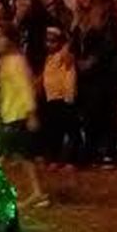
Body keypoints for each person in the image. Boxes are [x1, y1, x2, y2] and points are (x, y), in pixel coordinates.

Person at [0, 25, 47, 208]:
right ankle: (37, 193)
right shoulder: (5, 61)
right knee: (24, 157)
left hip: (18, 115)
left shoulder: (16, 61)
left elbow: (25, 88)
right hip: (10, 114)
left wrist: (31, 113)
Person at [71, 0, 117, 166]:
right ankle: (92, 149)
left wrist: (93, 60)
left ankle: (109, 151)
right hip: (84, 74)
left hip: (104, 73)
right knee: (89, 112)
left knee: (106, 111)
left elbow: (110, 44)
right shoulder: (78, 19)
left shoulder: (106, 17)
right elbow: (75, 44)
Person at [39, 26, 80, 168]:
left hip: (65, 98)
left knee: (71, 130)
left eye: (53, 41)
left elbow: (70, 75)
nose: (49, 44)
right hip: (52, 99)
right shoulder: (48, 59)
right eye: (47, 41)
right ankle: (55, 159)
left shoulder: (65, 56)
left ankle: (71, 160)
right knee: (55, 131)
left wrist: (69, 95)